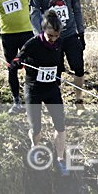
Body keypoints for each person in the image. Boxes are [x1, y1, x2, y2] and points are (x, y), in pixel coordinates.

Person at [9, 9, 69, 176]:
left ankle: (60, 159)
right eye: (50, 36)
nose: (53, 39)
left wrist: (59, 76)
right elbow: (17, 59)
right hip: (34, 89)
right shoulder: (33, 43)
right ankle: (35, 149)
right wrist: (17, 63)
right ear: (44, 31)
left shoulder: (59, 42)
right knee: (36, 128)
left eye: (56, 36)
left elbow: (59, 62)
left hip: (51, 89)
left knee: (60, 125)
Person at [30, 0, 87, 113]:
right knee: (54, 70)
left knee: (78, 66)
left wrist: (81, 33)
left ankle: (78, 101)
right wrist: (41, 35)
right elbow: (34, 14)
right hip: (52, 37)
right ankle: (55, 103)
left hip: (70, 34)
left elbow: (77, 11)